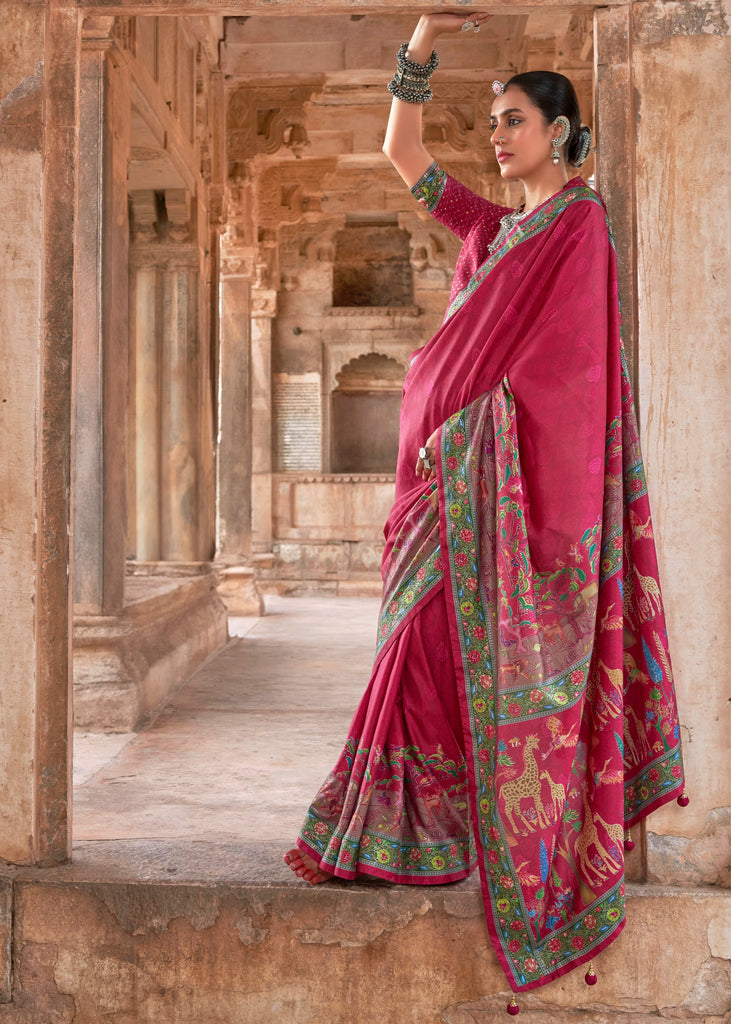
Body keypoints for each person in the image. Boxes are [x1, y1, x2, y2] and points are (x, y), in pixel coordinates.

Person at [285, 11, 686, 1008]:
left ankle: (433, 829)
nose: (499, 135)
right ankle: (397, 829)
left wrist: (467, 433)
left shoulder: (576, 227)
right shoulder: (486, 226)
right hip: (427, 487)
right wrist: (421, 40)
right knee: (408, 641)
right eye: (495, 120)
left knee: (429, 646)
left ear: (559, 132)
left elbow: (567, 367)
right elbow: (402, 151)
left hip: (479, 473)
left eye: (513, 120)